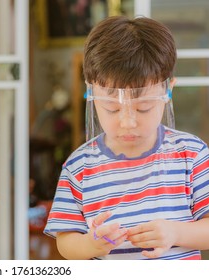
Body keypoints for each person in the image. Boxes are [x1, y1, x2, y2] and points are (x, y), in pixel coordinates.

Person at [44, 15, 209, 260]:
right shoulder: (79, 167)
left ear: (168, 90)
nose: (128, 122)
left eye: (144, 107)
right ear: (91, 94)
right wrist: (91, 245)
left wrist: (176, 232)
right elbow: (66, 240)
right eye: (112, 108)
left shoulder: (192, 155)